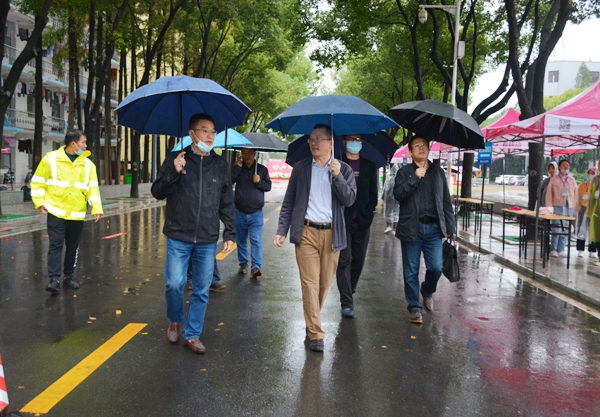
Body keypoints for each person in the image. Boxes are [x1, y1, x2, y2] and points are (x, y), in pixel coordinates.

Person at [151, 113, 235, 354]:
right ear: (191, 134)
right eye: (204, 130)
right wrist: (174, 172)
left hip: (207, 238)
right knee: (174, 284)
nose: (210, 136)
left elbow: (226, 201)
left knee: (201, 289)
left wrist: (230, 232)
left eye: (213, 131)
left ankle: (192, 334)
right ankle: (175, 319)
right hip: (179, 235)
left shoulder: (220, 164)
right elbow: (157, 191)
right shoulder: (176, 159)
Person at [274, 124, 356, 352]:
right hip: (307, 232)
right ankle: (316, 334)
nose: (314, 143)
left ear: (331, 143)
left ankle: (311, 323)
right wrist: (282, 230)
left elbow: (349, 200)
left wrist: (337, 176)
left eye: (319, 139)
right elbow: (289, 201)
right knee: (309, 283)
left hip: (332, 234)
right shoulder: (301, 168)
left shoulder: (344, 169)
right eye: (311, 139)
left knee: (323, 284)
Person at [30, 130, 103, 293]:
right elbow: (38, 182)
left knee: (72, 247)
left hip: (76, 213)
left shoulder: (88, 165)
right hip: (56, 211)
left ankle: (68, 277)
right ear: (73, 144)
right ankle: (54, 279)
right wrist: (39, 203)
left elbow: (92, 189)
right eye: (83, 142)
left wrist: (97, 208)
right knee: (55, 244)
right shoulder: (51, 159)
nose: (86, 145)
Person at [393, 136, 455, 324]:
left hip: (434, 228)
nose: (421, 148)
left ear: (429, 149)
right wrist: (414, 177)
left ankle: (427, 290)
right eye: (417, 146)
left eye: (424, 145)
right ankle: (414, 307)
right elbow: (398, 194)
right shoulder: (404, 172)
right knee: (411, 270)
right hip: (411, 227)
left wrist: (451, 226)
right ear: (410, 152)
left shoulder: (438, 172)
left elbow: (446, 200)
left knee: (436, 267)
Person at [335, 134, 378, 318]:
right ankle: (346, 302)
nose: (355, 142)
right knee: (344, 261)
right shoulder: (337, 164)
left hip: (362, 221)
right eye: (351, 139)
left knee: (358, 260)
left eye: (358, 139)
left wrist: (368, 211)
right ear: (344, 142)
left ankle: (349, 289)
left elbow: (373, 194)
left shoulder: (369, 165)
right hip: (342, 221)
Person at [231, 147, 272, 277]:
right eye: (244, 152)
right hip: (240, 211)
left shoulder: (262, 170)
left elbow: (268, 186)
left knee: (255, 240)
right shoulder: (238, 168)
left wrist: (259, 181)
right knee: (241, 240)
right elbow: (229, 181)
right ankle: (243, 264)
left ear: (254, 154)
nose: (246, 155)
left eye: (249, 152)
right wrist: (237, 168)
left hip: (256, 213)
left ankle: (256, 266)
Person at [545, 158, 578, 258]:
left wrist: (575, 209)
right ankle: (554, 249)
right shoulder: (554, 179)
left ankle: (562, 249)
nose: (566, 167)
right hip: (557, 206)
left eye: (567, 165)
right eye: (563, 165)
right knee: (556, 228)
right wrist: (549, 208)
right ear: (559, 167)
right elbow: (549, 194)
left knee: (566, 228)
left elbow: (575, 195)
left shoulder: (572, 180)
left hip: (568, 207)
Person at [575, 167, 598, 258]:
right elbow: (578, 198)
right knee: (582, 229)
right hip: (584, 209)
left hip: (594, 210)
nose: (590, 175)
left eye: (593, 173)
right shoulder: (582, 186)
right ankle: (580, 249)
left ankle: (592, 250)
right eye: (589, 173)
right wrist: (577, 209)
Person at [587, 160, 600, 266]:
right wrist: (590, 210)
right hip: (596, 211)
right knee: (597, 234)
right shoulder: (595, 179)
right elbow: (590, 195)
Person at [383, 164, 400, 234]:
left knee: (388, 211)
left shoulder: (388, 179)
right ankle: (395, 229)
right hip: (397, 198)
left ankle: (389, 226)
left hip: (389, 198)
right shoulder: (399, 178)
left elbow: (385, 189)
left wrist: (383, 198)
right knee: (396, 212)